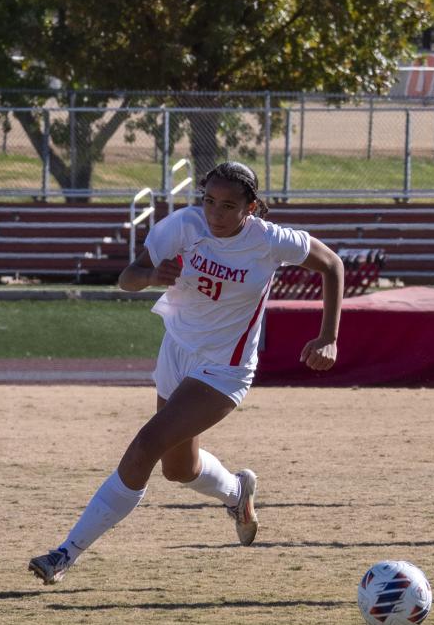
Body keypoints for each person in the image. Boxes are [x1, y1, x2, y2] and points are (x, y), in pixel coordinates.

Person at [29, 161, 344, 585]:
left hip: (224, 368)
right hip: (176, 352)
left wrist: (329, 336)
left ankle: (65, 553)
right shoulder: (182, 226)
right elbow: (128, 277)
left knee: (146, 443)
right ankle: (236, 492)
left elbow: (332, 265)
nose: (215, 213)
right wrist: (151, 276)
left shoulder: (269, 240)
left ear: (251, 208)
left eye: (228, 205)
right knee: (178, 469)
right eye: (209, 200)